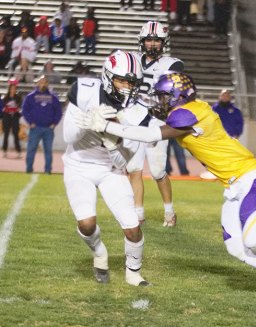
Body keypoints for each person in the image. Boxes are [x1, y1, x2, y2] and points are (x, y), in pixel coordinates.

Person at [75, 71, 256, 301]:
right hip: (234, 185)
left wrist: (107, 126)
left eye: (164, 96)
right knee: (236, 248)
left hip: (251, 177)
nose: (160, 101)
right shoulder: (187, 111)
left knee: (254, 239)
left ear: (177, 96)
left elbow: (153, 134)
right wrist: (120, 118)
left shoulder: (187, 113)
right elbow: (150, 126)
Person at [62, 50, 148, 286]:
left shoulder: (137, 111)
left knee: (132, 227)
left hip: (111, 169)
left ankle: (133, 272)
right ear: (108, 77)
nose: (128, 87)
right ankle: (100, 253)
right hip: (78, 166)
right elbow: (68, 136)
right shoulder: (84, 91)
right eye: (123, 80)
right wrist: (89, 123)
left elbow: (124, 164)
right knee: (87, 224)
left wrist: (110, 140)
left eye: (133, 82)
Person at [123, 21, 184, 227]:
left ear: (163, 43)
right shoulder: (133, 60)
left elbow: (177, 86)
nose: (152, 44)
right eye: (148, 40)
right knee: (134, 168)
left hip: (157, 120)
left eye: (157, 40)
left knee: (158, 171)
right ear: (142, 41)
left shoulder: (170, 63)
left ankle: (169, 211)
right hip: (134, 118)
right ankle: (138, 214)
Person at [22, 75, 62, 174]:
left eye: (45, 82)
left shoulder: (53, 97)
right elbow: (24, 110)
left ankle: (48, 170)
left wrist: (54, 123)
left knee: (48, 151)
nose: (43, 83)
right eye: (41, 81)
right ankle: (29, 169)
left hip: (48, 129)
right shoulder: (31, 96)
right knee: (31, 150)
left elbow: (58, 111)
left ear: (47, 84)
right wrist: (30, 122)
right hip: (35, 128)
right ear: (38, 83)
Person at [1, 78, 22, 158]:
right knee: (6, 134)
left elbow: (20, 107)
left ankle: (18, 151)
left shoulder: (18, 97)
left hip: (15, 117)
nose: (12, 90)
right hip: (7, 117)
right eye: (11, 88)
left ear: (15, 89)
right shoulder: (5, 98)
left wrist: (17, 109)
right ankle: (4, 150)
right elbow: (2, 108)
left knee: (16, 134)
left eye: (14, 88)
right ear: (9, 89)